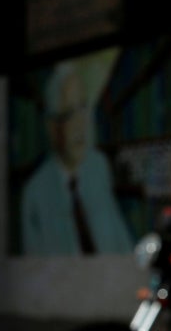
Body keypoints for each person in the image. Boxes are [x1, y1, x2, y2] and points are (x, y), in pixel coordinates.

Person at [21, 62, 134, 256]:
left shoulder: (98, 166)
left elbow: (121, 241)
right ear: (51, 127)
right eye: (69, 114)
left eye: (83, 108)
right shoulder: (35, 194)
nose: (80, 124)